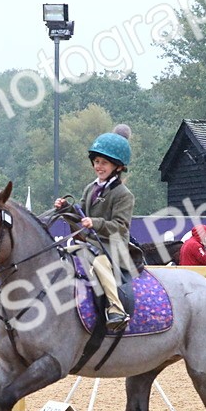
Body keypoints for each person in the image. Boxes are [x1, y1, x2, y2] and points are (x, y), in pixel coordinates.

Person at [55, 125, 136, 332]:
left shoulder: (123, 195)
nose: (99, 166)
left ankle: (116, 309)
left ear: (118, 167)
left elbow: (120, 227)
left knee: (99, 264)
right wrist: (65, 209)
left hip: (112, 248)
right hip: (90, 245)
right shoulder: (90, 188)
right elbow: (79, 216)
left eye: (104, 163)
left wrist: (95, 222)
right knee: (60, 254)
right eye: (97, 161)